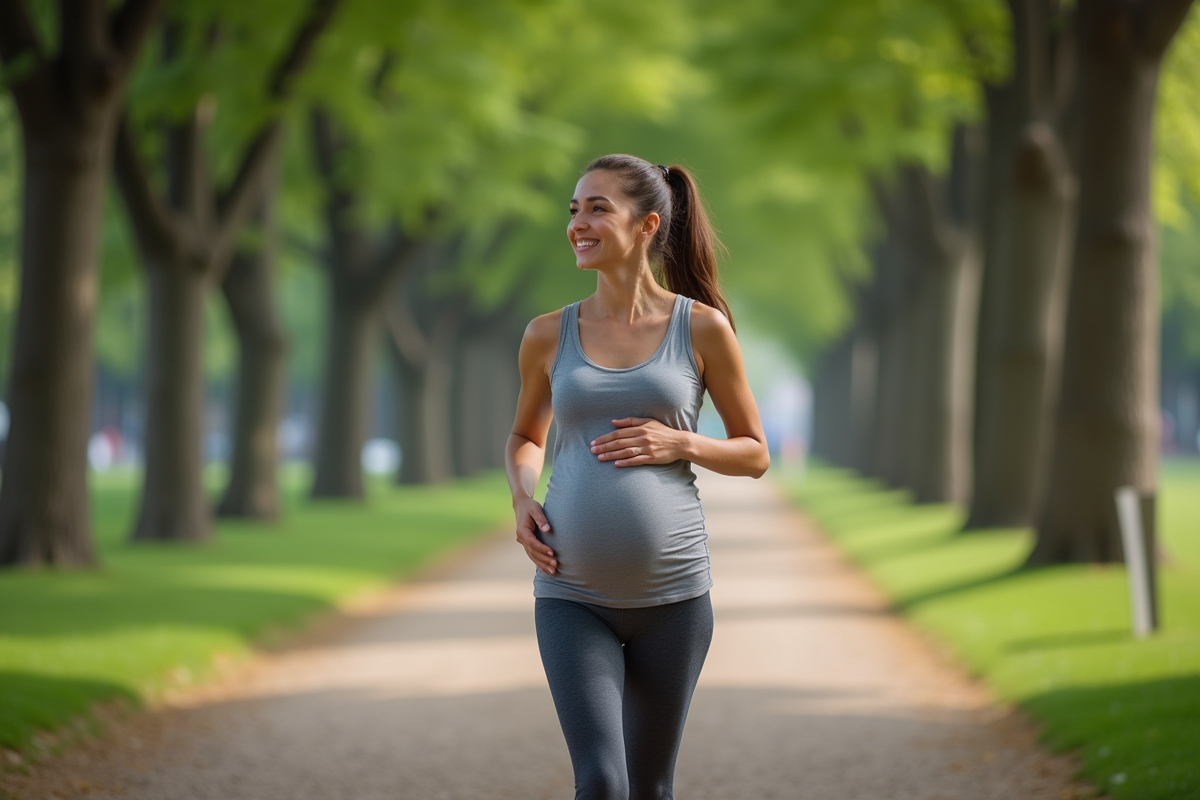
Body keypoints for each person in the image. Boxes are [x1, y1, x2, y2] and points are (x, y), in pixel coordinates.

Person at [505, 154, 770, 800]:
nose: (578, 223)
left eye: (597, 208)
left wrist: (681, 440)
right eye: (574, 209)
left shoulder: (701, 329)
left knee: (650, 787)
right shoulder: (547, 335)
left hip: (674, 600)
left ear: (648, 225)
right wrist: (520, 499)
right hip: (572, 595)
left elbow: (755, 452)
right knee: (599, 781)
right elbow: (525, 438)